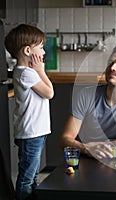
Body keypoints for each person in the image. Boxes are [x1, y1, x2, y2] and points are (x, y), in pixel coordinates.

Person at [60, 44, 116, 160]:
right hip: (89, 158)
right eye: (110, 63)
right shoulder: (86, 95)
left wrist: (99, 146)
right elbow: (65, 139)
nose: (112, 68)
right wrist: (86, 148)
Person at [5, 24, 54, 200]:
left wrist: (38, 71)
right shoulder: (27, 73)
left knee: (32, 175)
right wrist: (41, 70)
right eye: (41, 48)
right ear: (28, 50)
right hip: (31, 133)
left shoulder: (26, 72)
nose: (44, 53)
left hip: (34, 132)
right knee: (27, 177)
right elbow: (49, 93)